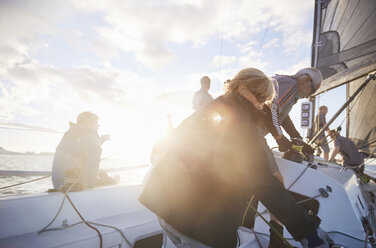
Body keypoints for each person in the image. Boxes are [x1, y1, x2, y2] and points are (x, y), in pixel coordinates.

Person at [139, 68, 330, 248]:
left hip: (164, 206)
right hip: (195, 226)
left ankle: (248, 226)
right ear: (242, 88)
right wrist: (308, 230)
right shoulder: (242, 126)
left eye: (265, 100)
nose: (261, 105)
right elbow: (264, 183)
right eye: (260, 98)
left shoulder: (214, 107)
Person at [263, 67, 323, 154]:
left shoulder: (291, 89)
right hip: (246, 126)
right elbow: (269, 110)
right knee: (265, 162)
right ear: (306, 80)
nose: (308, 96)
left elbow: (282, 117)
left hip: (248, 127)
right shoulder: (290, 84)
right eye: (312, 91)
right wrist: (280, 138)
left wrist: (298, 140)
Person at [51, 111, 111, 190]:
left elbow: (79, 148)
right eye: (96, 124)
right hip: (74, 187)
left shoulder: (68, 135)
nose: (98, 126)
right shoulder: (91, 138)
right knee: (105, 178)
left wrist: (100, 140)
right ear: (89, 124)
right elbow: (92, 164)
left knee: (101, 175)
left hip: (58, 184)